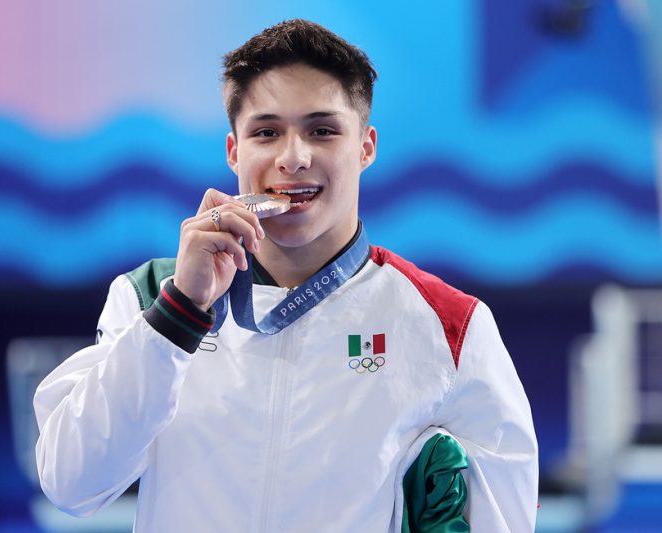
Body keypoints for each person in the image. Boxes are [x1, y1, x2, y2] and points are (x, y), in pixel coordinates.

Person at [34, 19, 538, 532]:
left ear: (365, 147)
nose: (293, 157)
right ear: (235, 151)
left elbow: (506, 518)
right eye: (266, 132)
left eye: (322, 130)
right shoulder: (148, 299)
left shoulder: (450, 325)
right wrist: (179, 312)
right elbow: (73, 486)